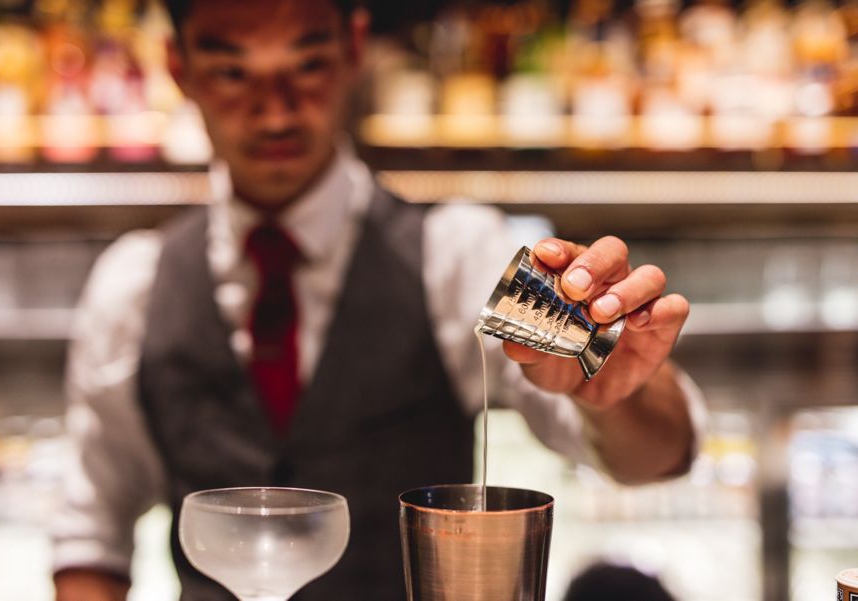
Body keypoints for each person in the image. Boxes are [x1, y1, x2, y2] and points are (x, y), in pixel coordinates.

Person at [51, 1, 702, 600]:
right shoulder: (132, 285)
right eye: (231, 71)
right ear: (178, 68)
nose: (276, 110)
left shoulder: (454, 252)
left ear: (353, 47)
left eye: (307, 65)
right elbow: (91, 535)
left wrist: (621, 393)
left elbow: (654, 456)